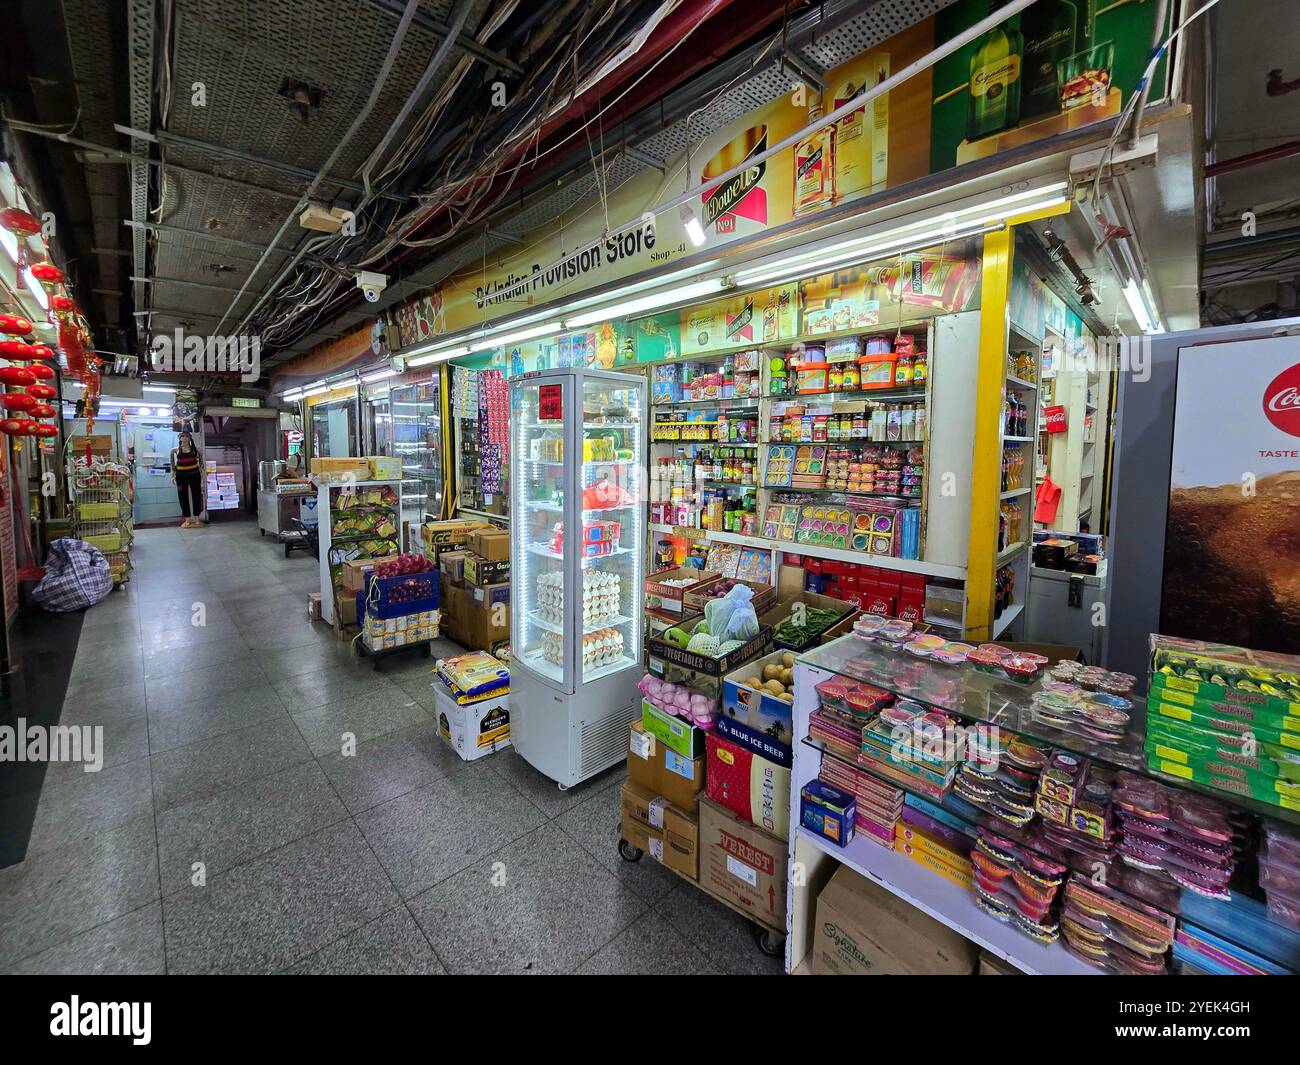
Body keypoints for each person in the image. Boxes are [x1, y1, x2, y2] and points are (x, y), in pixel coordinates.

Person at [171, 431, 205, 528]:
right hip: (180, 476)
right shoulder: (174, 450)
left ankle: (197, 519)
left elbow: (201, 463)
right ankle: (187, 519)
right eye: (183, 436)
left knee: (197, 495)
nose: (185, 438)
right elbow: (172, 464)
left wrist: (202, 474)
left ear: (190, 438)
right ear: (180, 438)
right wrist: (172, 475)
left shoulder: (196, 450)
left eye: (186, 436)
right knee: (182, 497)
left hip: (194, 474)